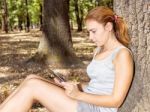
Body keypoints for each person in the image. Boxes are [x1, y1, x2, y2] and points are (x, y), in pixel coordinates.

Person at [0, 6, 134, 112]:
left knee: (33, 86)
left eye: (93, 31)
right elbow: (98, 85)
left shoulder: (122, 55)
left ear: (108, 27)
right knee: (31, 78)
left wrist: (78, 95)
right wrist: (73, 86)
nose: (90, 37)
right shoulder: (99, 50)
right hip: (87, 99)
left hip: (96, 108)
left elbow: (116, 100)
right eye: (88, 32)